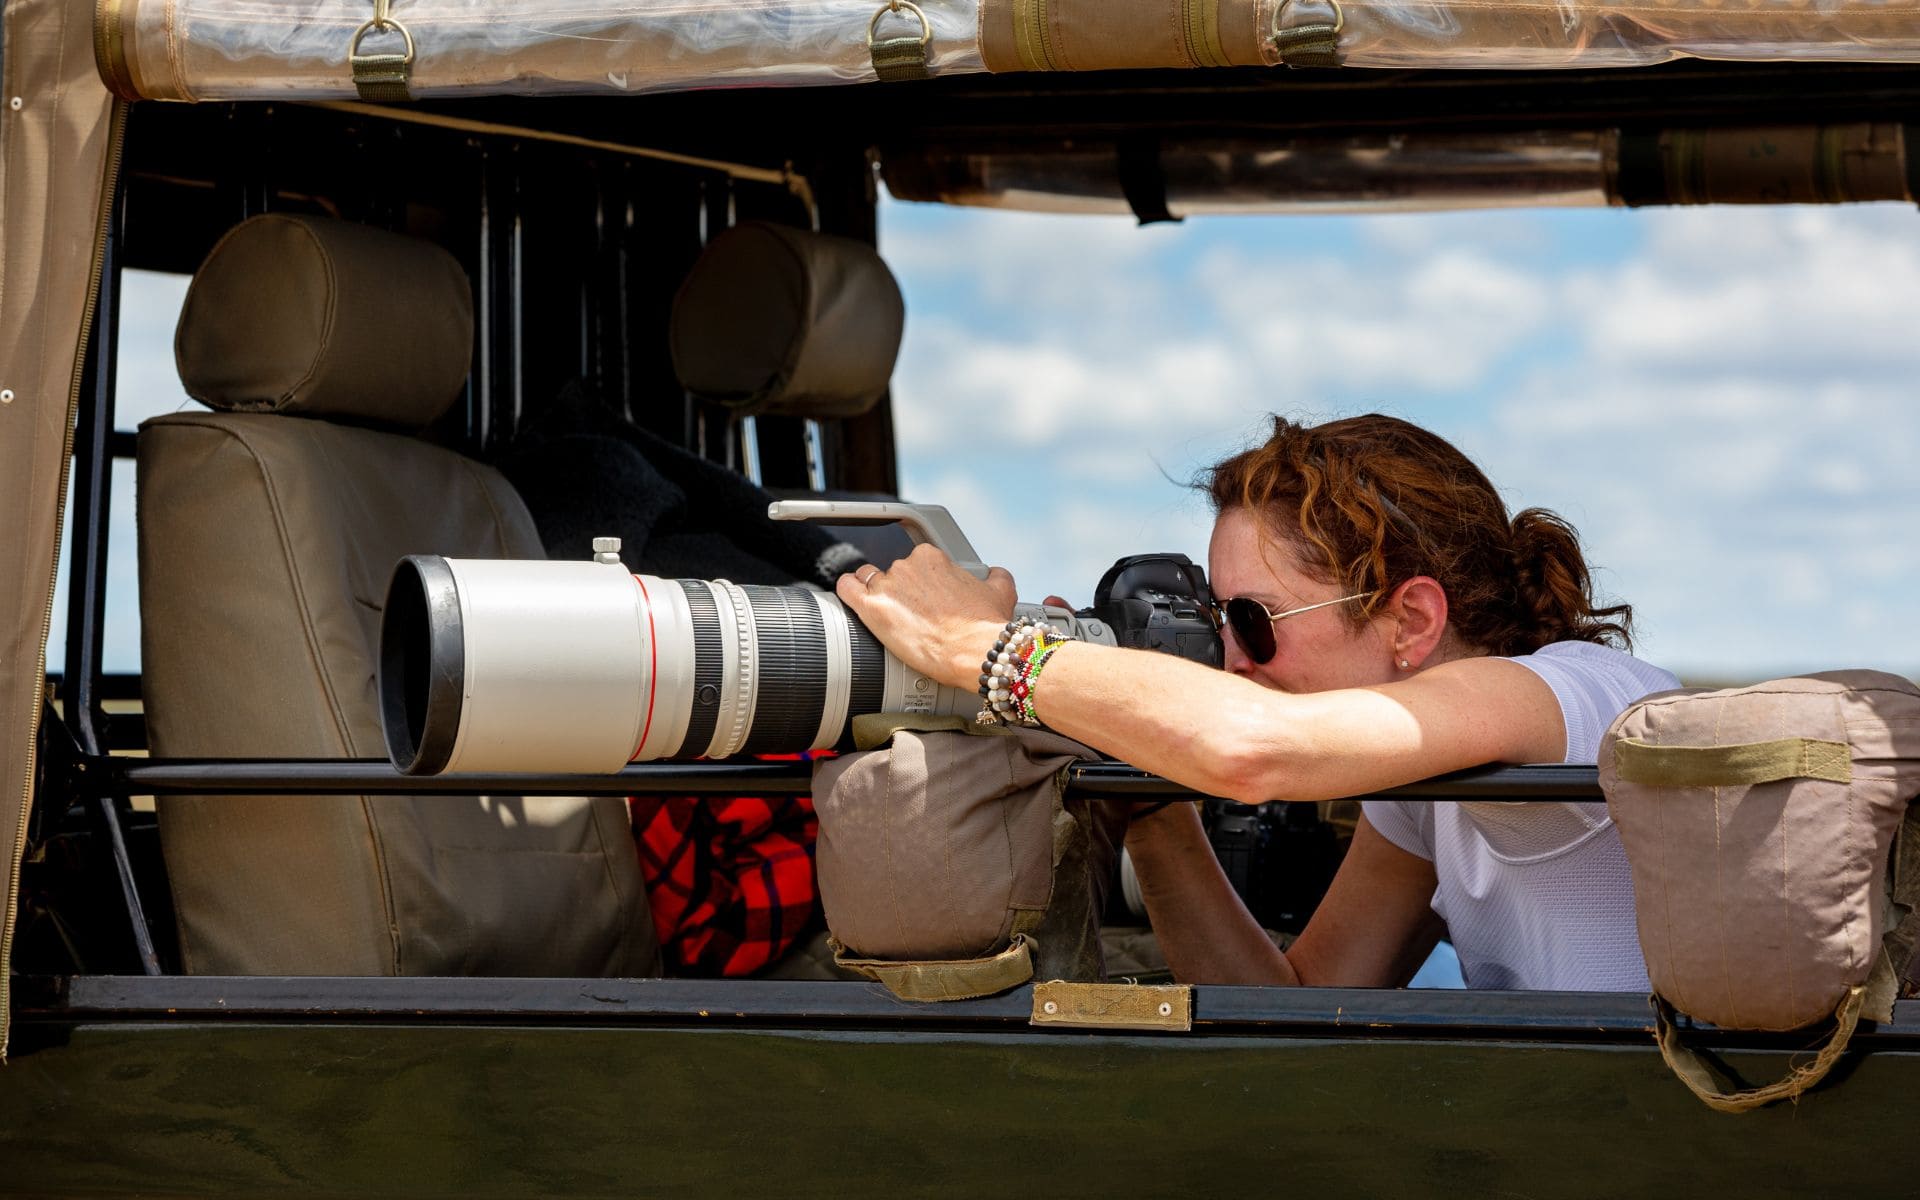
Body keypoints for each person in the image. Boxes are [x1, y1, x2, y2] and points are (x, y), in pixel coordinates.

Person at [833, 413, 1679, 991]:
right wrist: (1156, 806)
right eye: (1217, 618)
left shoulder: (1573, 698)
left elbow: (1251, 746)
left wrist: (981, 650)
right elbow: (1295, 1003)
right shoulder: (1436, 774)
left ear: (1411, 620)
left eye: (1253, 620)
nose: (1229, 658)